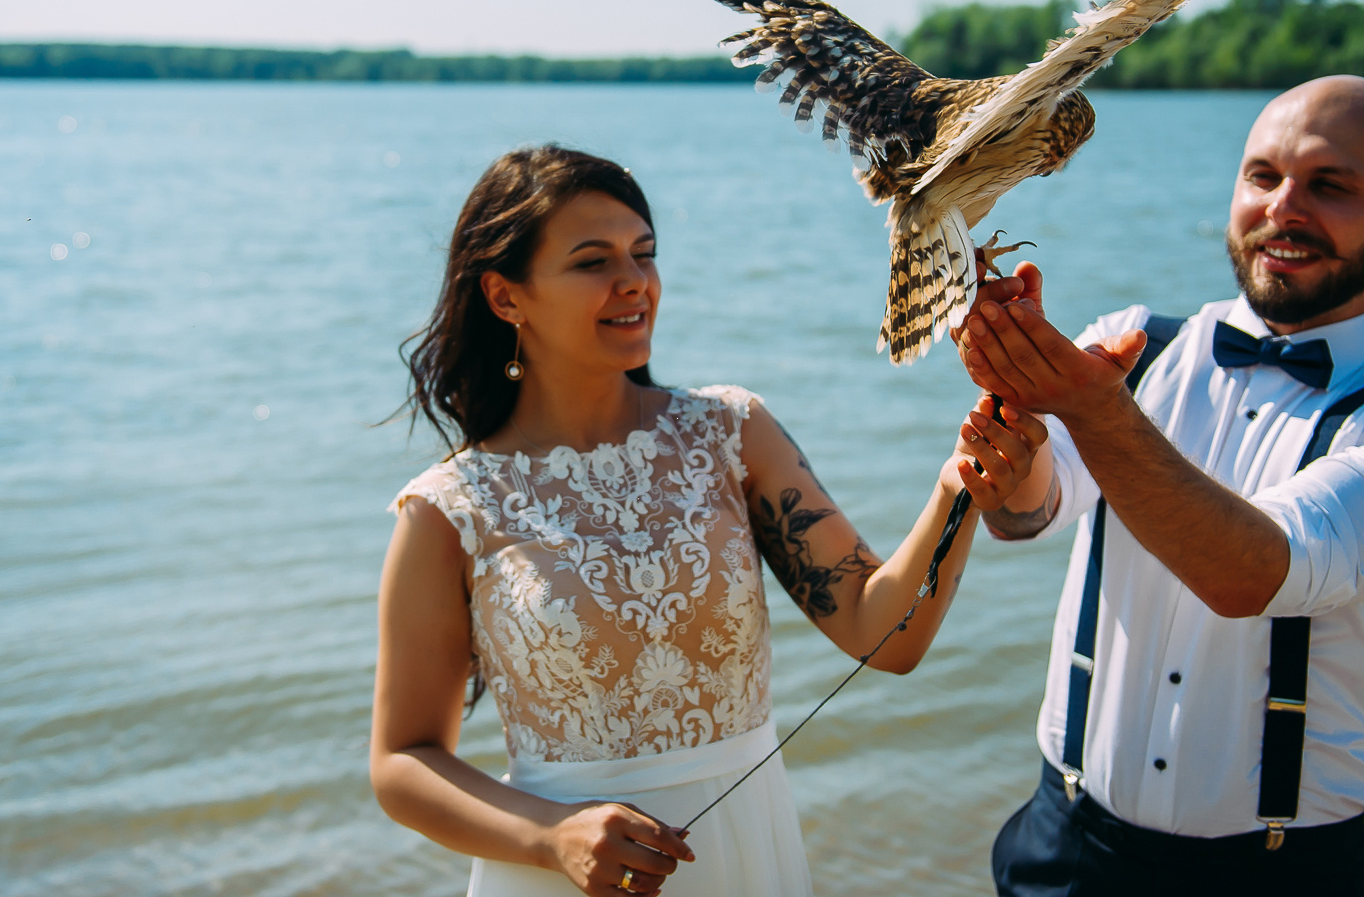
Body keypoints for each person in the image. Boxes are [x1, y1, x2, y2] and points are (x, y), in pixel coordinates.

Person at [371, 144, 1038, 896]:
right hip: (555, 875)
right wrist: (550, 836)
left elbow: (882, 631)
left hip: (745, 852)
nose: (634, 280)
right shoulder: (449, 507)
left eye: (644, 252)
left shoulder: (729, 433)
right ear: (505, 297)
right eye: (593, 261)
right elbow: (402, 761)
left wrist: (957, 488)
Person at [956, 76, 1364, 896]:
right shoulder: (1131, 346)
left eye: (1330, 185)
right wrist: (1011, 451)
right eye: (1263, 175)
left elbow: (1252, 572)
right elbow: (1028, 513)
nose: (1284, 207)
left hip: (1280, 874)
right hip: (1062, 846)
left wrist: (1093, 409)